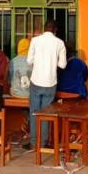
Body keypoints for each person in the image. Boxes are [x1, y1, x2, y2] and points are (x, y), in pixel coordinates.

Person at [25, 20, 66, 151]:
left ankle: (33, 143)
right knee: (46, 113)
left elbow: (29, 60)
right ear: (55, 30)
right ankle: (43, 143)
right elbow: (62, 65)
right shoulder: (59, 43)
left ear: (44, 29)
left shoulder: (35, 41)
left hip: (36, 80)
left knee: (34, 112)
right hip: (50, 82)